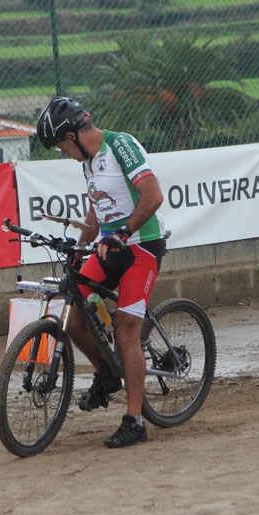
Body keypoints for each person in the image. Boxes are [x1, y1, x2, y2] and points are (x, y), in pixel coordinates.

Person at [36, 97, 167, 448]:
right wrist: (80, 249)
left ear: (73, 136)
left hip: (141, 247)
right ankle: (106, 373)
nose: (63, 153)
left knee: (126, 330)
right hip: (110, 247)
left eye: (61, 146)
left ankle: (135, 421)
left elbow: (153, 196)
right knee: (72, 310)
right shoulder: (88, 163)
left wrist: (123, 233)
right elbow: (96, 214)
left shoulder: (120, 146)